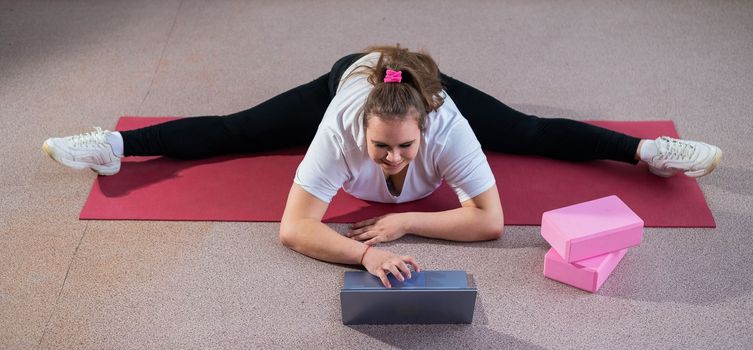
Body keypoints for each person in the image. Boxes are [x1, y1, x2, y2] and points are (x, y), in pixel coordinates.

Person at [42, 45, 722, 287]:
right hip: (352, 73)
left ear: (427, 124)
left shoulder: (446, 122)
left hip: (416, 82)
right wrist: (361, 257)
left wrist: (403, 229)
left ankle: (651, 154)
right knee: (239, 130)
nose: (394, 159)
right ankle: (114, 146)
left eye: (406, 145)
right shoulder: (337, 127)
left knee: (525, 129)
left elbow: (487, 224)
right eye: (381, 147)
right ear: (357, 128)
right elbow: (294, 228)